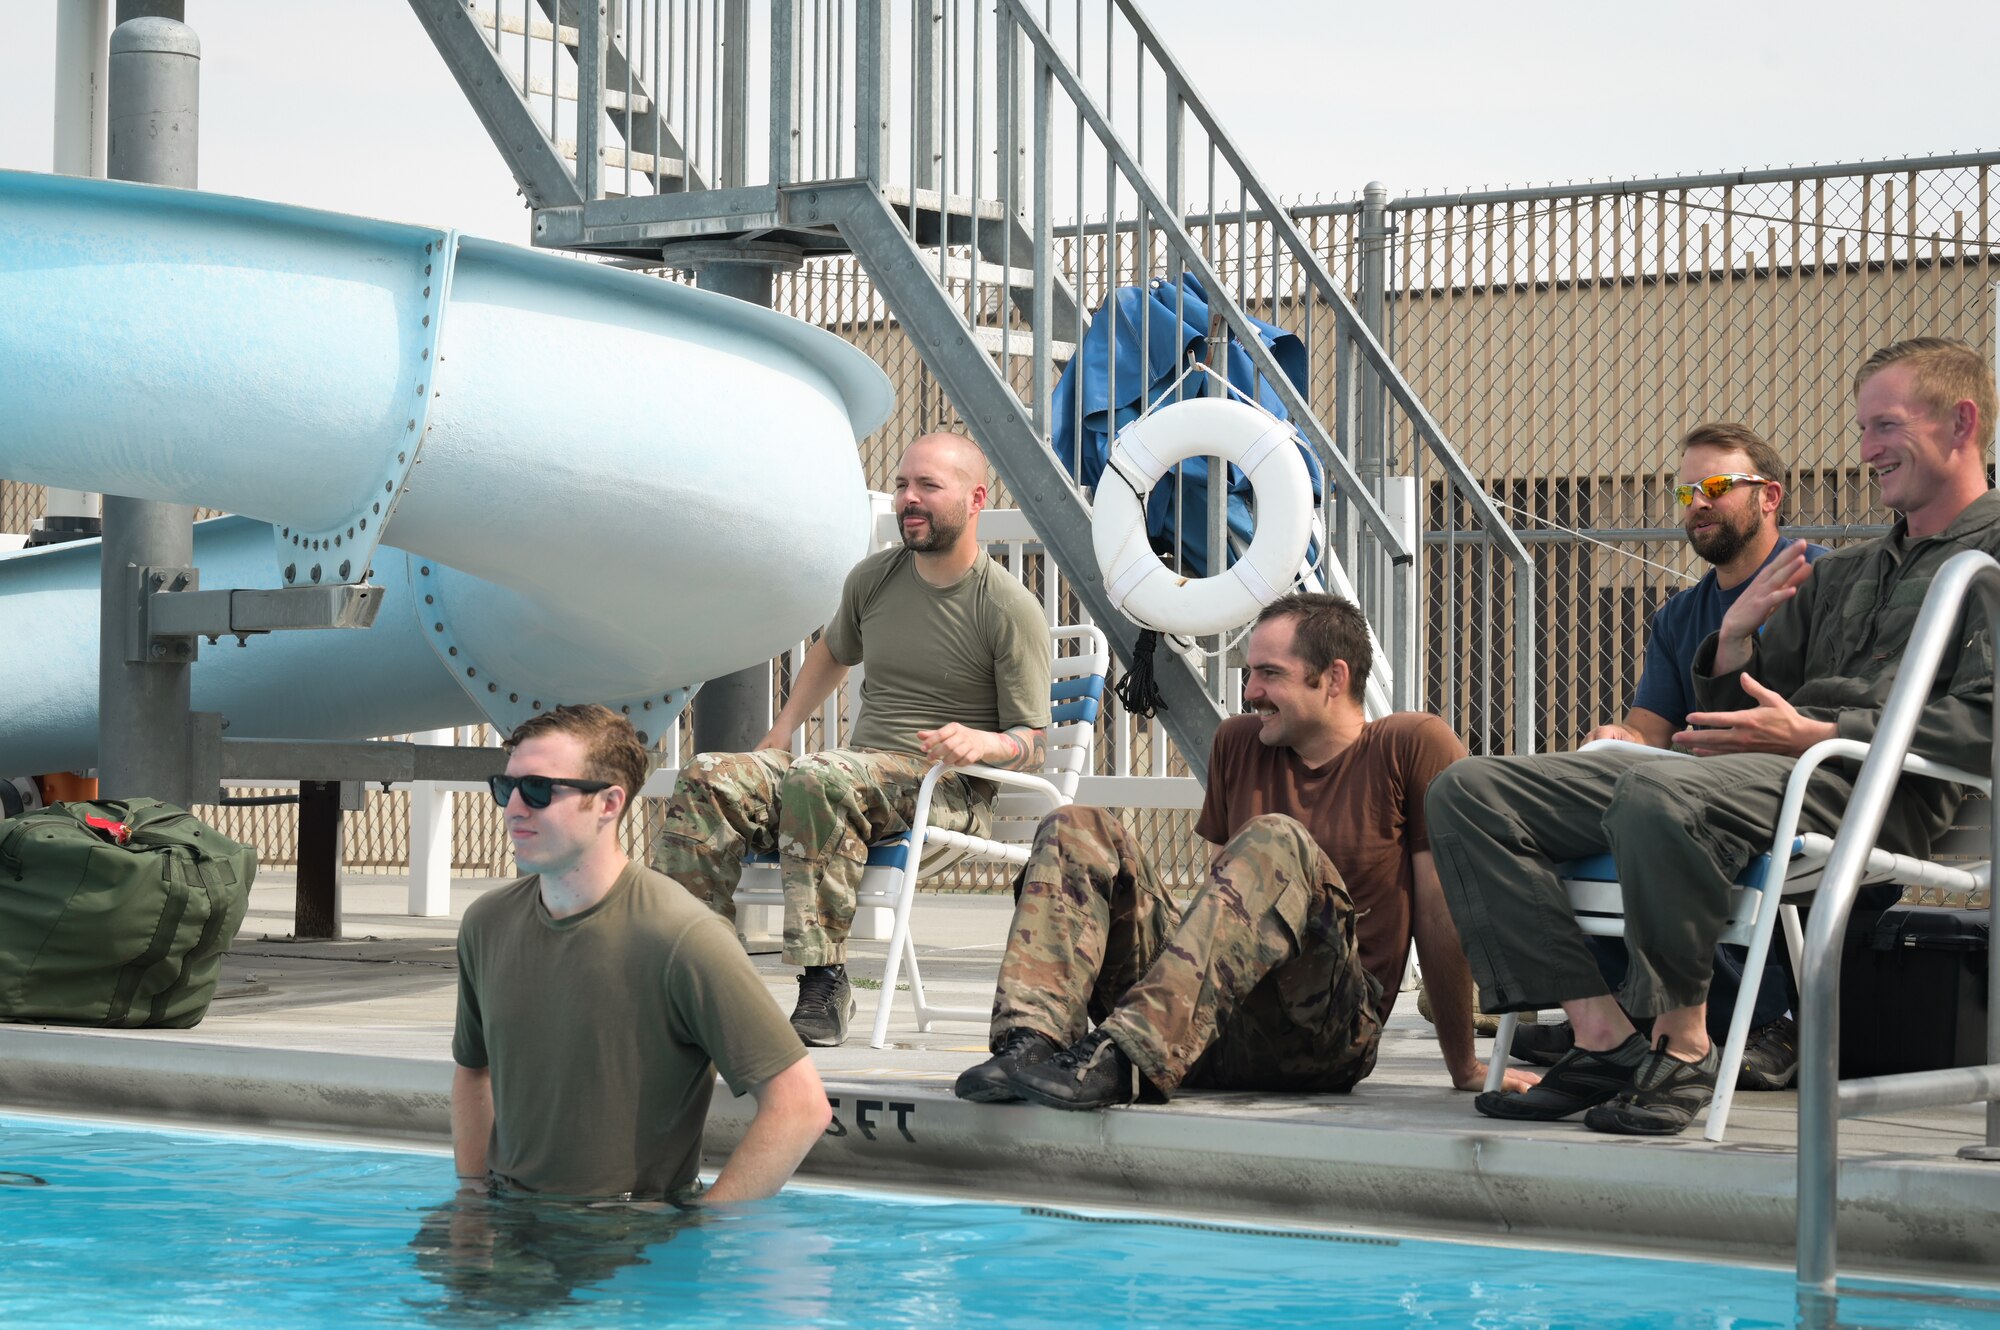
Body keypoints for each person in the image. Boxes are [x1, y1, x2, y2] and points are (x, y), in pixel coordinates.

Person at [1428, 336, 2000, 1136]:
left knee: (1656, 787)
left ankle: (1684, 1043)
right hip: (1770, 775)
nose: (1866, 450)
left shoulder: (1989, 559)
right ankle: (1603, 1035)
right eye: (1863, 429)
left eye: (1885, 427)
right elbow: (1740, 710)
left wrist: (1817, 730)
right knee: (1469, 791)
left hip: (1869, 788)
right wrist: (1731, 645)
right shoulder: (1845, 573)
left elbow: (1986, 721)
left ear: (1961, 422)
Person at [953, 591, 1531, 1110]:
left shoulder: (1411, 746)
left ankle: (1125, 1058)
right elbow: (1221, 909)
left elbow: (1439, 915)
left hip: (1324, 1039)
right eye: (1250, 672)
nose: (1251, 691)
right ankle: (1029, 1046)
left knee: (1277, 839)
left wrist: (1465, 1067)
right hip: (1206, 1034)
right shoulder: (1238, 743)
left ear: (1333, 678)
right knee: (1075, 824)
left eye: (1269, 674)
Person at [654, 432, 1053, 1047]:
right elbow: (833, 651)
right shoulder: (873, 579)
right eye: (901, 484)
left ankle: (824, 980)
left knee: (821, 776)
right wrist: (782, 730)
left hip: (942, 792)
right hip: (852, 781)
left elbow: (1032, 741)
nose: (908, 499)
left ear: (975, 499)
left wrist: (984, 743)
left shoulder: (1006, 606)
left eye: (928, 486)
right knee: (710, 773)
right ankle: (696, 976)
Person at [1513, 423, 1829, 1089]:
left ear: (1770, 496)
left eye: (1716, 486)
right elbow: (1648, 733)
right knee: (1569, 812)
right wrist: (1617, 741)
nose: (1698, 502)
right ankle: (1614, 1021)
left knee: (1667, 818)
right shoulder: (1680, 614)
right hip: (1691, 791)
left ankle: (1761, 1020)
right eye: (1688, 489)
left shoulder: (1827, 583)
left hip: (1797, 791)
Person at [452, 704, 831, 1203]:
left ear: (609, 804)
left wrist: (704, 1227)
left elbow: (800, 1104)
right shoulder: (488, 923)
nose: (514, 808)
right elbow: (472, 1070)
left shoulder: (681, 935)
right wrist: (472, 1197)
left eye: (539, 790)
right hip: (508, 1222)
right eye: (507, 788)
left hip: (625, 1243)